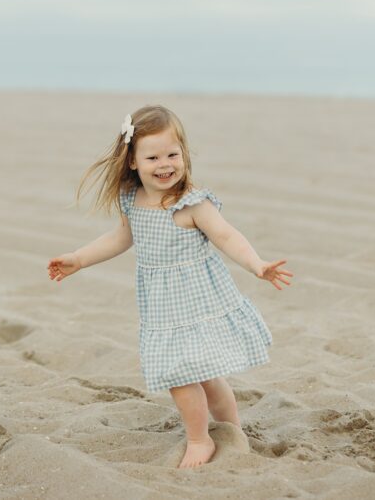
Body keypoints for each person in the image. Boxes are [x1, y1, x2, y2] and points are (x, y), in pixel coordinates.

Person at [47, 106, 293, 468]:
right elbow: (120, 238)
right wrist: (80, 259)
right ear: (132, 161)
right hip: (165, 308)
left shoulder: (192, 203)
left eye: (172, 154)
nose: (165, 164)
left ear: (184, 155)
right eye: (153, 157)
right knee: (191, 375)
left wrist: (257, 265)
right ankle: (217, 431)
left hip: (199, 302)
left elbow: (226, 235)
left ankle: (210, 436)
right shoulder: (133, 201)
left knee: (198, 376)